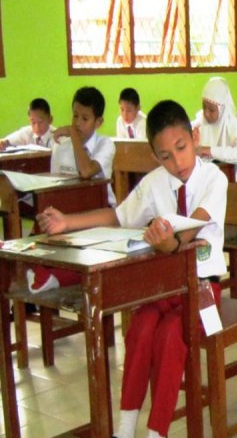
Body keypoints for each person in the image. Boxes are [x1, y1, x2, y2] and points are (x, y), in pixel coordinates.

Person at [37, 100, 227, 438]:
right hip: (164, 288)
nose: (177, 162)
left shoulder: (214, 178)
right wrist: (67, 222)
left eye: (181, 148)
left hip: (202, 289)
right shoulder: (155, 182)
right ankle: (125, 428)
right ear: (155, 156)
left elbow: (194, 225)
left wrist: (172, 244)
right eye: (165, 156)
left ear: (194, 138)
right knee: (140, 328)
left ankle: (157, 431)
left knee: (170, 335)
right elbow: (117, 216)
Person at [51, 86, 117, 207]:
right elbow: (53, 186)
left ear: (98, 122)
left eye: (85, 118)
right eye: (75, 116)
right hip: (69, 206)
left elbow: (86, 171)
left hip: (100, 207)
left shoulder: (105, 144)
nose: (77, 123)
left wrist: (73, 133)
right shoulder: (60, 146)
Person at [192, 77, 237, 181]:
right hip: (204, 176)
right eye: (204, 107)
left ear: (222, 108)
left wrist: (209, 151)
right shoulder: (201, 120)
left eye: (211, 110)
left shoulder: (232, 123)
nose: (206, 113)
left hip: (228, 177)